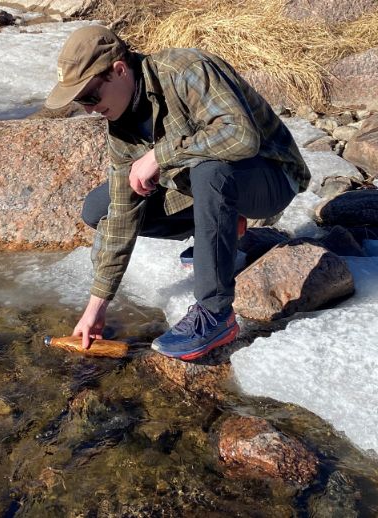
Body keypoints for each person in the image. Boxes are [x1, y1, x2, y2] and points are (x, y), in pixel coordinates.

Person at [44, 25, 310, 361]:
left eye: (90, 96)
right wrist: (97, 306)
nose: (88, 109)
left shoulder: (186, 71)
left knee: (210, 169)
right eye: (80, 101)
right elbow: (124, 214)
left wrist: (158, 155)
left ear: (119, 71)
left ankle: (215, 315)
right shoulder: (120, 126)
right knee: (101, 206)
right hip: (210, 187)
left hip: (271, 175)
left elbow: (241, 137)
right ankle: (223, 228)